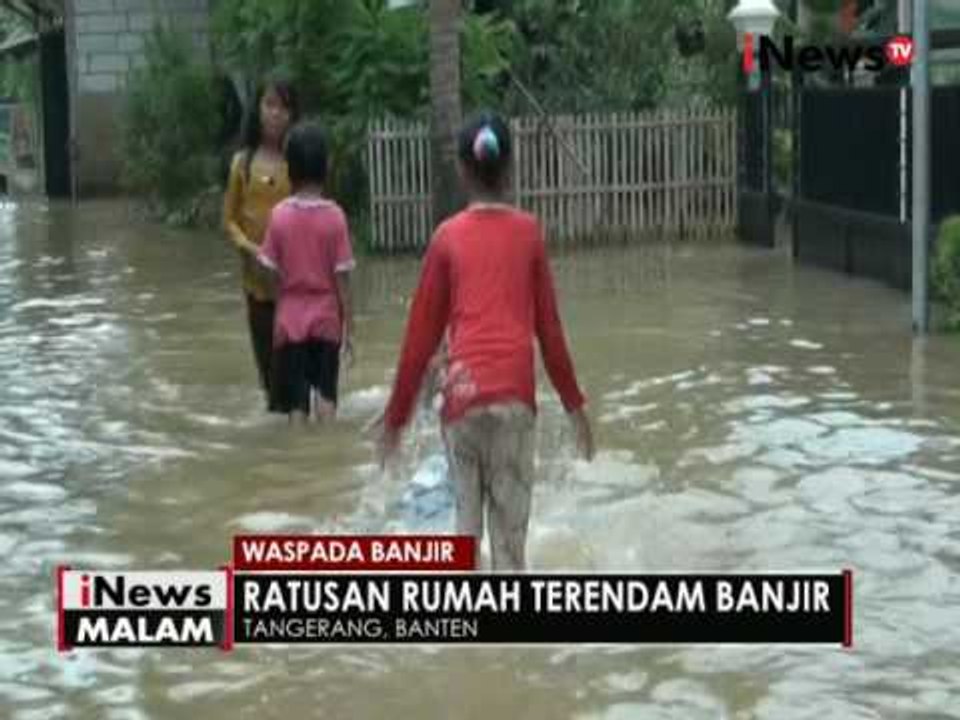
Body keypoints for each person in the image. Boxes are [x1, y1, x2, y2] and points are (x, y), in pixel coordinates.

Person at [374, 111, 594, 571]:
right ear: (510, 168)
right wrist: (576, 408)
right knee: (510, 556)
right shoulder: (529, 233)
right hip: (514, 400)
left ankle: (466, 639)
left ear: (461, 169)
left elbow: (419, 340)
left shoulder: (446, 237)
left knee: (463, 546)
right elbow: (550, 332)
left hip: (462, 399)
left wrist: (395, 419)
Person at [256, 121, 355, 422]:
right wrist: (351, 327)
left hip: (289, 323)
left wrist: (281, 300)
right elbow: (343, 281)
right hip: (327, 322)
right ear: (326, 166)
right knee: (326, 399)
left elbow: (268, 272)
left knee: (296, 407)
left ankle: (300, 451)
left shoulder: (279, 216)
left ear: (288, 169)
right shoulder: (335, 217)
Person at [222, 76, 300, 404]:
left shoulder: (300, 160)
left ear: (293, 114)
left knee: (293, 374)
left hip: (296, 285)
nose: (276, 114)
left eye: (283, 107)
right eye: (269, 105)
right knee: (269, 378)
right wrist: (249, 248)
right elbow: (229, 220)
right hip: (256, 285)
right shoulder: (242, 164)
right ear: (257, 110)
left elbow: (315, 213)